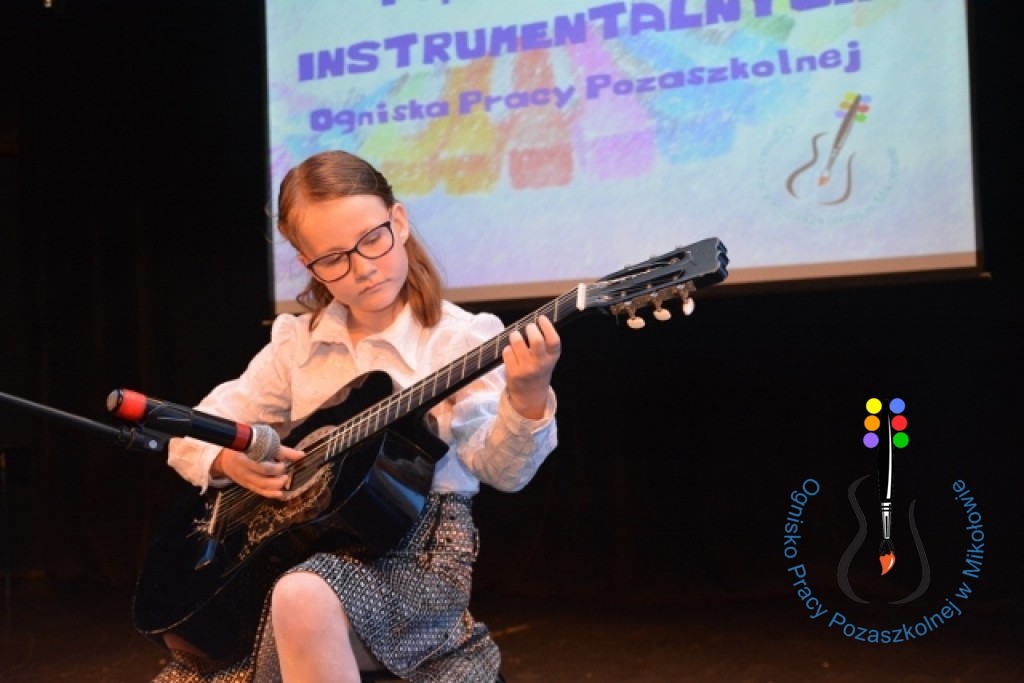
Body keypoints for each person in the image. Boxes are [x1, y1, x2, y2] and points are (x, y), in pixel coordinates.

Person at [153, 150, 561, 683]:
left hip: (418, 561)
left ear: (399, 221)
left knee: (300, 596)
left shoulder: (460, 340)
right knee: (281, 598)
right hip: (305, 551)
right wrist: (228, 462)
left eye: (372, 240)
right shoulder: (298, 345)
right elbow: (194, 428)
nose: (362, 268)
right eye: (333, 259)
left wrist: (527, 395)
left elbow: (504, 471)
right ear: (308, 264)